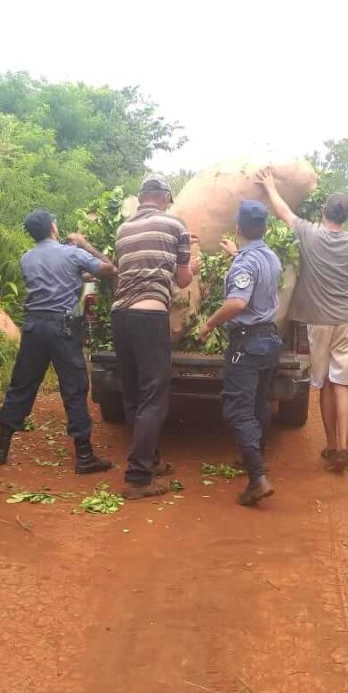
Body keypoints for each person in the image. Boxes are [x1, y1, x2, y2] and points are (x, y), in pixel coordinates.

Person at [0, 208, 116, 473]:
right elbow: (109, 270)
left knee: (22, 385)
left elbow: (52, 279)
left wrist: (79, 276)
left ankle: (1, 446)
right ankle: (84, 456)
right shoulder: (72, 253)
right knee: (74, 388)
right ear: (53, 228)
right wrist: (85, 245)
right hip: (63, 329)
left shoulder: (26, 258)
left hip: (34, 327)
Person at [258, 169, 348, 473]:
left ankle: (331, 446)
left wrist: (269, 186)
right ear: (345, 217)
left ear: (322, 211)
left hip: (319, 320)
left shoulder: (310, 234)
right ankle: (343, 447)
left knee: (325, 384)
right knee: (344, 385)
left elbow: (283, 212)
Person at [112, 175, 200, 499]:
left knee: (134, 393)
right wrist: (195, 266)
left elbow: (123, 270)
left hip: (120, 314)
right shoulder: (176, 226)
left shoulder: (122, 230)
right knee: (154, 396)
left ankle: (149, 461)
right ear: (164, 198)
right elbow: (181, 279)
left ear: (141, 198)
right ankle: (138, 478)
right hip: (149, 315)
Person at [199, 200, 282, 506]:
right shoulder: (269, 257)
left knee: (237, 409)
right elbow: (253, 274)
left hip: (247, 343)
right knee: (260, 402)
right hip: (269, 341)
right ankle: (255, 458)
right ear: (265, 228)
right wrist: (236, 255)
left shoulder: (245, 264)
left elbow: (237, 303)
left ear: (237, 228)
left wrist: (208, 324)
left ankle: (257, 477)